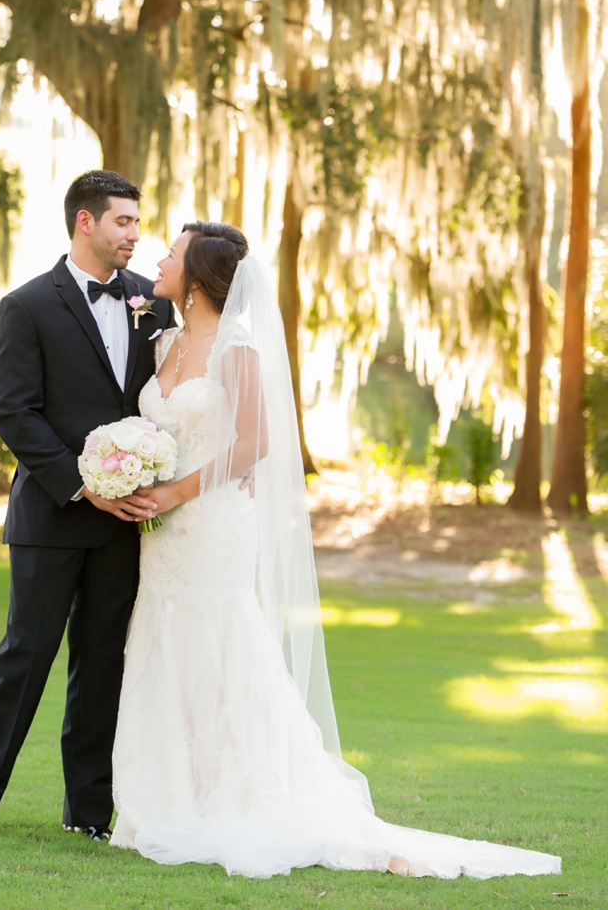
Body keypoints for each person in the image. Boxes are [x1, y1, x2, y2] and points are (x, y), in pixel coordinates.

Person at [109, 221, 561, 880]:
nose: (160, 258)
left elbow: (254, 441)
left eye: (173, 253)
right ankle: (176, 796)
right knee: (167, 643)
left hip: (212, 523)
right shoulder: (166, 342)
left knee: (224, 642)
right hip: (166, 533)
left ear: (200, 279)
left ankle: (247, 795)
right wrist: (125, 466)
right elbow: (161, 428)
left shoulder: (235, 345)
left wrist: (176, 490)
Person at [0, 170, 174, 842]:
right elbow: (15, 414)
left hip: (126, 527)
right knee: (24, 657)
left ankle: (89, 816)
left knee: (103, 663)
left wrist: (136, 487)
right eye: (123, 222)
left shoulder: (151, 303)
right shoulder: (26, 305)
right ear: (86, 222)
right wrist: (86, 487)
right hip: (52, 516)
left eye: (137, 222)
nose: (135, 234)